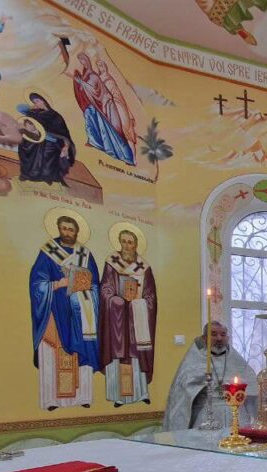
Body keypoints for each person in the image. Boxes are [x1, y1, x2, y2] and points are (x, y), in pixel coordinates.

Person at [29, 215, 101, 410]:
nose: (67, 232)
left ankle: (82, 397)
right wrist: (57, 284)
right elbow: (36, 284)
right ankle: (52, 400)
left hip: (80, 313)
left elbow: (95, 283)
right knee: (53, 352)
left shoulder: (85, 254)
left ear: (77, 231)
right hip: (55, 311)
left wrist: (88, 294)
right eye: (64, 228)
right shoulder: (49, 251)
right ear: (59, 229)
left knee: (80, 352)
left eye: (71, 229)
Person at [163, 321, 258, 430]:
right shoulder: (194, 361)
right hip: (206, 415)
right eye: (214, 334)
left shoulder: (237, 361)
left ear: (227, 338)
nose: (219, 338)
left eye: (223, 334)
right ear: (204, 338)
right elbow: (181, 395)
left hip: (237, 416)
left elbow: (253, 389)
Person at [99, 228, 157, 407]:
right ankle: (118, 396)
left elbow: (151, 296)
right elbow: (105, 288)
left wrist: (139, 303)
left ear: (136, 245)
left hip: (137, 319)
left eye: (130, 242)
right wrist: (116, 300)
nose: (126, 245)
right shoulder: (112, 262)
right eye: (123, 241)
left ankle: (141, 393)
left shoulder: (144, 267)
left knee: (137, 355)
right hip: (117, 318)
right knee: (119, 355)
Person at [17, 93, 76, 186]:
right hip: (37, 139)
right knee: (24, 145)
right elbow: (19, 108)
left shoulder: (56, 116)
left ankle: (47, 178)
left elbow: (64, 134)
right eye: (34, 102)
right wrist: (31, 107)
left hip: (51, 142)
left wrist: (66, 146)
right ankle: (30, 175)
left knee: (47, 157)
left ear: (44, 101)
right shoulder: (35, 113)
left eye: (37, 101)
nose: (36, 104)